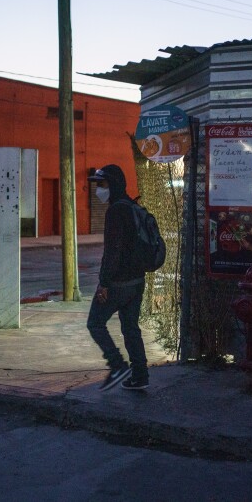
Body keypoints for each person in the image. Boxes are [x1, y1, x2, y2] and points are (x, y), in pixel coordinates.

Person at [86, 164, 149, 391]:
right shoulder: (132, 206)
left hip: (119, 283)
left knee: (95, 323)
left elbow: (112, 252)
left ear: (112, 185)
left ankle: (118, 365)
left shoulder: (115, 211)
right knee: (131, 327)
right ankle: (140, 375)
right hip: (137, 281)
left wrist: (104, 283)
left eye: (102, 184)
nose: (98, 189)